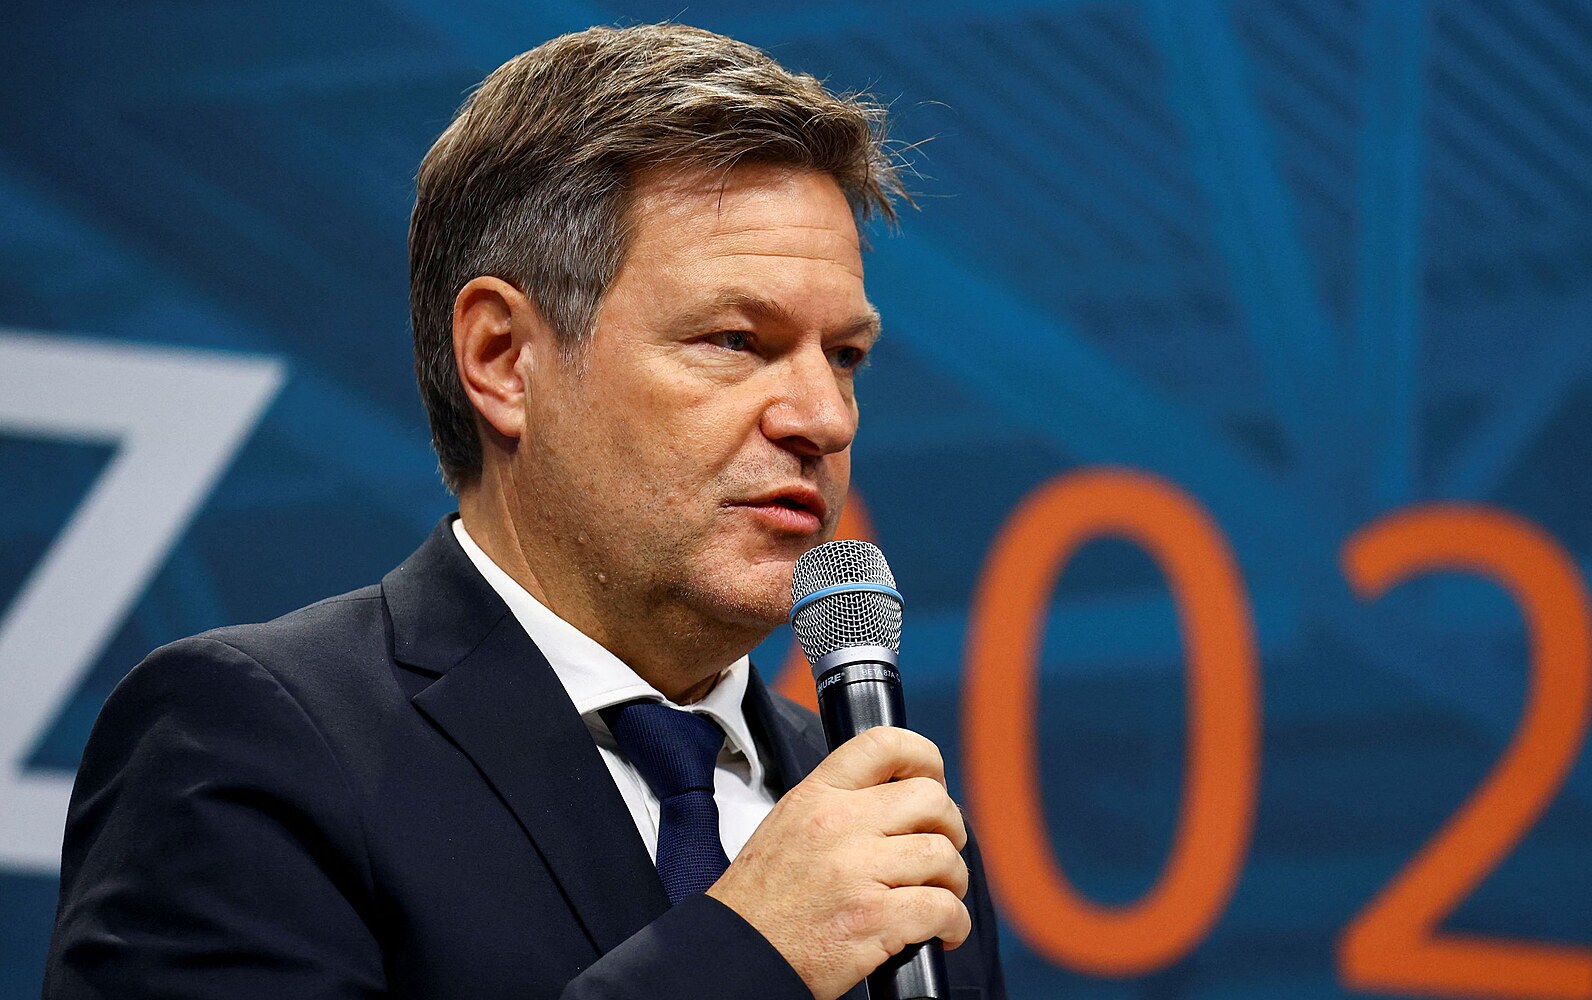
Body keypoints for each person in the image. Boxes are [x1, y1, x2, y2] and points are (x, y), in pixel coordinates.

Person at [43, 23, 1007, 1000]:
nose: (823, 417)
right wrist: (749, 952)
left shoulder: (890, 838)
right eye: (734, 339)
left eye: (844, 356)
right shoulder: (252, 741)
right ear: (503, 359)